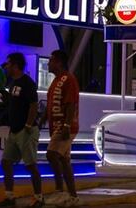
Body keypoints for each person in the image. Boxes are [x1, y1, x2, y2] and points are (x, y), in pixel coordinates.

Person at [0, 52, 43, 207]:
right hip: (15, 130)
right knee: (6, 162)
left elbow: (33, 105)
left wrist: (28, 125)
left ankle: (38, 197)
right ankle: (9, 196)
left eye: (8, 63)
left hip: (26, 130)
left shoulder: (27, 83)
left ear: (15, 65)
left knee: (30, 165)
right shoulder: (13, 83)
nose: (6, 66)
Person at [44, 50, 79, 202]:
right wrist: (42, 120)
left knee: (51, 155)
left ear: (58, 62)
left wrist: (66, 125)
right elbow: (52, 103)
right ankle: (73, 196)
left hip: (64, 127)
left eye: (51, 60)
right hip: (57, 126)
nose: (48, 63)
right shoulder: (56, 81)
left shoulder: (68, 79)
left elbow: (71, 104)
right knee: (64, 161)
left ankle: (59, 190)